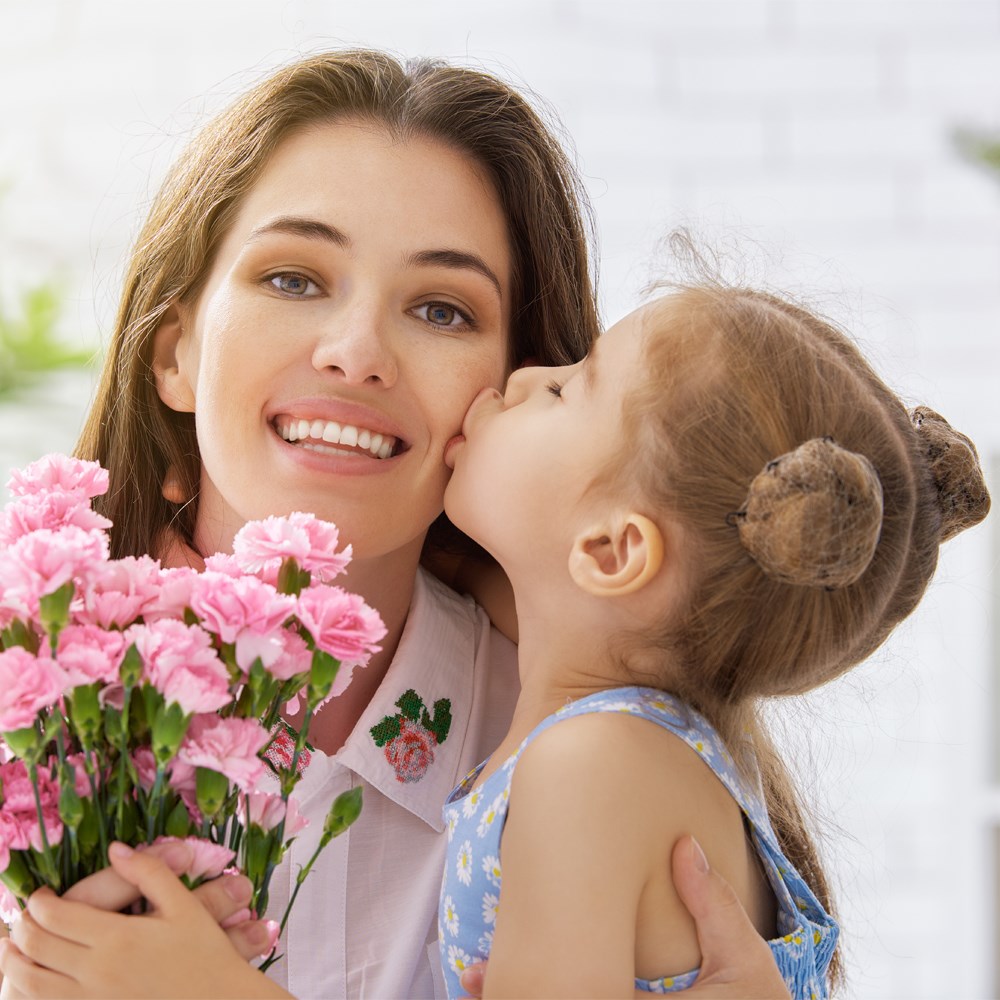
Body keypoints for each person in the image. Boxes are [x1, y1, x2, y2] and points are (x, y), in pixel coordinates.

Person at [0, 50, 791, 1000]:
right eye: (293, 279)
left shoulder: (595, 764)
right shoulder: (37, 714)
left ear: (515, 393)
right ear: (176, 354)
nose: (357, 353)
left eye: (442, 309)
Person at [432, 280, 989, 998]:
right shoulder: (639, 739)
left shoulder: (589, 768)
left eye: (568, 390)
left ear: (610, 552)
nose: (526, 376)